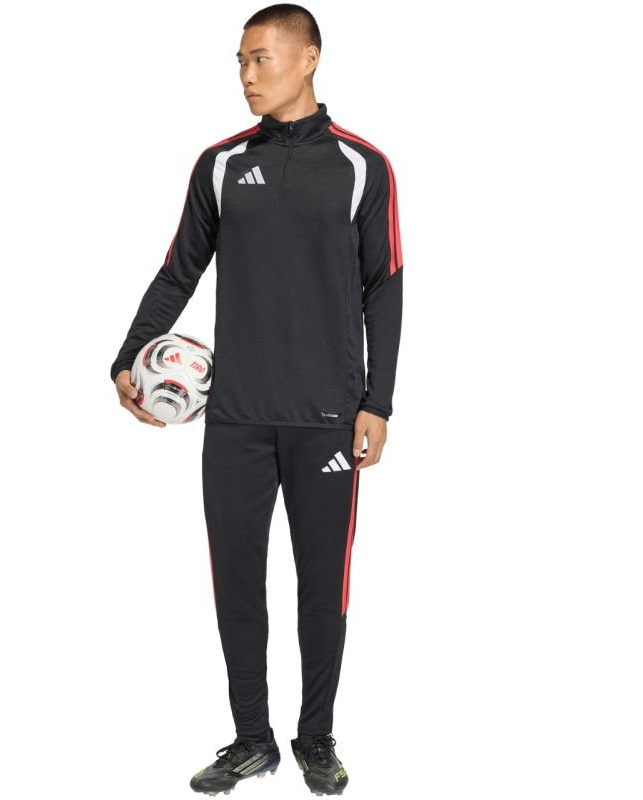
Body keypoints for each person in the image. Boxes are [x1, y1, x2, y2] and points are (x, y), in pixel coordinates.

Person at [110, 4, 403, 796]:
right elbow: (179, 270)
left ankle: (316, 737)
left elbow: (385, 286)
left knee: (322, 590)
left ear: (309, 58)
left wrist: (378, 402)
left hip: (327, 419)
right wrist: (127, 357)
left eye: (260, 58)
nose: (246, 74)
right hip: (236, 415)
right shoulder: (220, 164)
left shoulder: (362, 166)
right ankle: (251, 738)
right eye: (239, 61)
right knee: (236, 584)